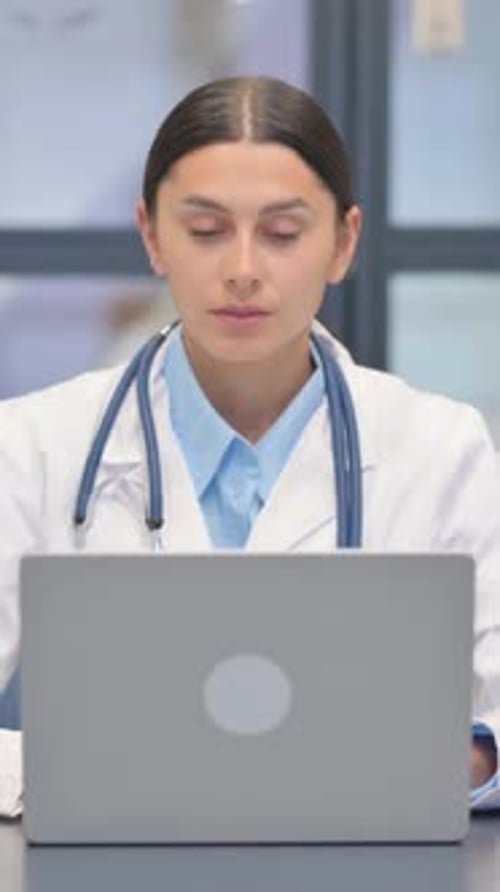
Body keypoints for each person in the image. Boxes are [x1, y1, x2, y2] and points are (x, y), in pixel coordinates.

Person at [0, 76, 499, 798]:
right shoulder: (33, 446)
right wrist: (66, 770)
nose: (241, 270)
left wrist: (452, 762)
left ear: (343, 242)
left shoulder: (442, 448)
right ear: (152, 236)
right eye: (204, 231)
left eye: (282, 234)